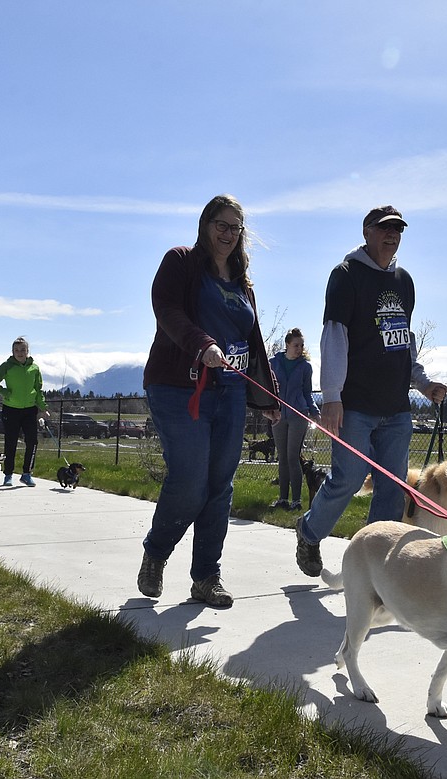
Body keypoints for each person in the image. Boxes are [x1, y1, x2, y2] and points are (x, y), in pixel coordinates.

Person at [138, 194, 280, 609]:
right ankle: (157, 551)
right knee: (189, 481)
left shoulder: (242, 284)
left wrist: (265, 394)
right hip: (179, 387)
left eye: (236, 227)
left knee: (219, 487)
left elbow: (253, 344)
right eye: (221, 224)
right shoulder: (180, 261)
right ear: (205, 224)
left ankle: (206, 577)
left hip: (230, 393)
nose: (228, 233)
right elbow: (166, 309)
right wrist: (202, 345)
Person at [294, 205, 447, 577]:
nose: (391, 236)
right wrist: (331, 396)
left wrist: (423, 382)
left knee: (392, 488)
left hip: (396, 407)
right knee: (347, 478)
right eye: (383, 229)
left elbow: (403, 340)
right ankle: (309, 531)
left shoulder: (404, 281)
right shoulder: (346, 275)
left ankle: (375, 568)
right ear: (366, 232)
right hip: (355, 404)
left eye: (397, 230)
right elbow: (334, 335)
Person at [268, 327, 321, 511]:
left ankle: (296, 501)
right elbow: (267, 388)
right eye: (296, 345)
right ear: (287, 345)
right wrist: (267, 407)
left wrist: (314, 411)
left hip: (298, 415)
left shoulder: (305, 367)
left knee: (292, 456)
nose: (299, 349)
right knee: (282, 457)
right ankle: (283, 498)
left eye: (302, 345)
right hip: (278, 415)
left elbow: (307, 392)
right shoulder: (273, 363)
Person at [0, 336, 49, 487]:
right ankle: (8, 474)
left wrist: (43, 407)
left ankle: (27, 473)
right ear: (12, 352)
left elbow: (38, 390)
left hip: (29, 410)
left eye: (23, 350)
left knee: (32, 441)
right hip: (11, 410)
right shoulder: (6, 366)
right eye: (16, 350)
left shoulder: (34, 368)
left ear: (28, 351)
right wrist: (6, 393)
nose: (20, 353)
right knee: (11, 442)